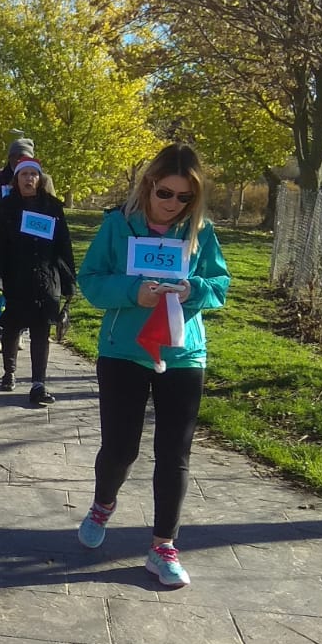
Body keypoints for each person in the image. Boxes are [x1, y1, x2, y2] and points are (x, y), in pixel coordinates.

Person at [76, 143, 230, 588]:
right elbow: (90, 281)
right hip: (124, 351)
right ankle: (103, 502)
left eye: (185, 198)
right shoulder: (117, 226)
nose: (174, 205)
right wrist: (133, 293)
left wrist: (193, 289)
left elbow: (219, 285)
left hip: (184, 354)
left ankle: (164, 545)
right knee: (121, 449)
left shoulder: (201, 231)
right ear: (148, 186)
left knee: (174, 454)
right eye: (166, 193)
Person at [0, 157, 76, 406]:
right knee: (11, 329)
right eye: (23, 175)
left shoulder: (53, 208)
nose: (28, 179)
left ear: (40, 179)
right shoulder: (5, 208)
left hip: (45, 281)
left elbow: (63, 246)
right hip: (14, 280)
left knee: (40, 332)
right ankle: (9, 371)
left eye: (32, 175)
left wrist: (69, 283)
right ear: (16, 179)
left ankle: (38, 383)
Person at [0, 138, 35, 352]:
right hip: (2, 239)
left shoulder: (42, 178)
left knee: (24, 290)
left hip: (29, 242)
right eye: (16, 156)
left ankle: (20, 331)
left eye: (24, 157)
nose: (19, 160)